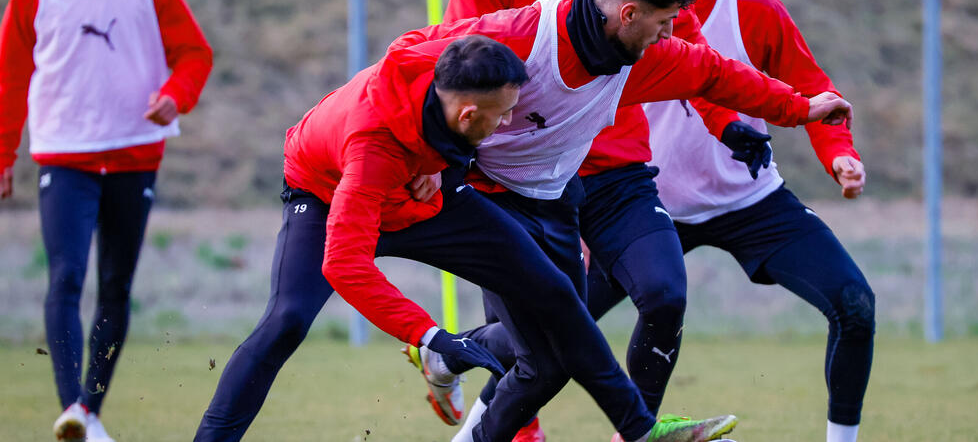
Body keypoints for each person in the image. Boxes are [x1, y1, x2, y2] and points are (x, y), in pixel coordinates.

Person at [391, 0, 855, 442]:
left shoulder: (646, 51)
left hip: (587, 190)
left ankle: (636, 431)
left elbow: (715, 73)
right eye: (663, 22)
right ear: (629, 14)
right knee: (547, 356)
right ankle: (458, 361)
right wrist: (429, 154)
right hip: (499, 198)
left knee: (654, 298)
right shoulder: (523, 34)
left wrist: (799, 108)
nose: (671, 34)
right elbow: (407, 58)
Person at [192, 34, 739, 442]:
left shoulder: (449, 61)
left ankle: (639, 431)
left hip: (425, 195)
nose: (505, 128)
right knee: (287, 319)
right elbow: (345, 265)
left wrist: (442, 163)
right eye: (499, 118)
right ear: (468, 111)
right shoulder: (373, 147)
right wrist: (429, 334)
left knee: (552, 292)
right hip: (327, 193)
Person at [589, 0, 871, 442]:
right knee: (545, 326)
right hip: (644, 209)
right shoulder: (616, 14)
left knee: (855, 305)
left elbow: (811, 90)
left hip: (750, 202)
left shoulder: (754, 9)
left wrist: (838, 152)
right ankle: (462, 384)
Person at [0, 0, 213, 440]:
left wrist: (174, 97)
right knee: (66, 276)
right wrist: (4, 157)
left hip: (134, 154)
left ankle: (89, 413)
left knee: (115, 286)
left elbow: (195, 54)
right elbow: (8, 78)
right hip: (63, 156)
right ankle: (72, 407)